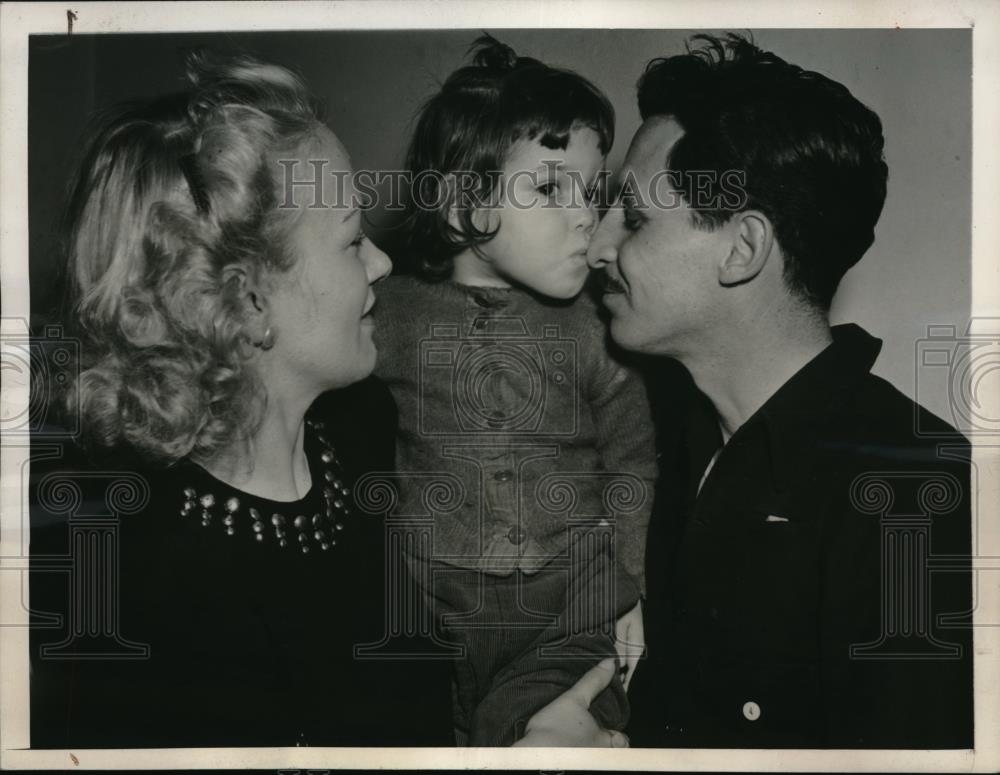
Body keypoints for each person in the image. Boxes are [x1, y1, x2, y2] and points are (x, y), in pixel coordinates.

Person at [29, 53, 452, 748]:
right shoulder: (145, 595)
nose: (382, 262)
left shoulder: (361, 427)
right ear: (250, 300)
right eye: (351, 241)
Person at [581, 33, 974, 747]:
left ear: (742, 248)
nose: (597, 247)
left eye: (634, 218)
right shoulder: (652, 431)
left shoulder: (909, 481)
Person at [373, 36, 657, 746]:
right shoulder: (383, 312)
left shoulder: (601, 322)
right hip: (425, 604)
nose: (586, 214)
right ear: (461, 207)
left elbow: (632, 455)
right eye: (550, 189)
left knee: (528, 730)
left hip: (566, 605)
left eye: (591, 191)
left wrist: (628, 582)